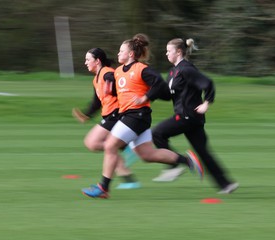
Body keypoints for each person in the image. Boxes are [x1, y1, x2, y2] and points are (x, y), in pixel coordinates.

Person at [81, 34, 204, 199]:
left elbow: (160, 85)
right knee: (147, 155)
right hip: (132, 117)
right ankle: (188, 160)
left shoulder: (141, 69)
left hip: (137, 115)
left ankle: (103, 187)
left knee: (110, 146)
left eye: (121, 51)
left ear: (130, 54)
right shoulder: (117, 72)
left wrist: (145, 97)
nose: (118, 54)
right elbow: (115, 92)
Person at [152, 38, 239, 194]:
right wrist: (150, 94)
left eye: (168, 51)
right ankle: (226, 184)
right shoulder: (173, 71)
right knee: (203, 152)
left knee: (157, 133)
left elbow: (208, 83)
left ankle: (174, 165)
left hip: (187, 116)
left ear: (178, 52)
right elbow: (169, 95)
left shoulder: (186, 69)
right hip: (191, 118)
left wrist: (207, 103)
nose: (166, 54)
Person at [72, 47, 141, 189]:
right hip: (109, 115)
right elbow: (97, 102)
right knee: (103, 146)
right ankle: (129, 179)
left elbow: (123, 88)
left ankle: (127, 148)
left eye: (88, 60)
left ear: (97, 61)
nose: (85, 63)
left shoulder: (108, 74)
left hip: (116, 115)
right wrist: (86, 115)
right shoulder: (96, 79)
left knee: (92, 142)